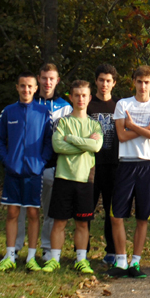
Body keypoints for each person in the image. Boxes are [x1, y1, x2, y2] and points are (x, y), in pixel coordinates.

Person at [108, 65, 150, 278]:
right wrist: (146, 130)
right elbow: (121, 137)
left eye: (146, 82)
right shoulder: (123, 104)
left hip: (147, 165)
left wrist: (132, 126)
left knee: (143, 217)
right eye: (139, 81)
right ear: (133, 81)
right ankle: (121, 261)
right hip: (126, 164)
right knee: (117, 215)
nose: (143, 86)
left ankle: (136, 263)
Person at [12, 63, 72, 268]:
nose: (47, 82)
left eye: (51, 78)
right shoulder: (28, 100)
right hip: (25, 166)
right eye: (44, 78)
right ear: (38, 79)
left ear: (57, 81)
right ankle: (17, 247)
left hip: (52, 166)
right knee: (22, 208)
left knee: (49, 209)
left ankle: (47, 248)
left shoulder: (66, 107)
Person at [0, 71, 54, 272]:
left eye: (30, 86)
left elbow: (49, 141)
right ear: (17, 87)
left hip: (34, 172)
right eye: (22, 86)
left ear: (36, 88)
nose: (26, 89)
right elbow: (0, 139)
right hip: (13, 171)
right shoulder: (9, 111)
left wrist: (41, 162)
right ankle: (10, 254)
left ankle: (31, 256)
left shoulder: (43, 113)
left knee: (33, 214)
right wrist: (6, 160)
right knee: (12, 212)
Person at [48, 80, 104, 274]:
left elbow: (95, 147)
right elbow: (57, 146)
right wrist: (85, 143)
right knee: (60, 221)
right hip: (63, 177)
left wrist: (71, 138)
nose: (81, 99)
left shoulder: (95, 124)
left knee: (82, 222)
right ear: (71, 98)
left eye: (84, 95)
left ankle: (81, 259)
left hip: (85, 179)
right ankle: (54, 259)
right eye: (77, 95)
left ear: (89, 98)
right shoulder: (62, 122)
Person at [88, 64, 122, 266]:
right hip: (91, 166)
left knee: (111, 210)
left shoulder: (119, 106)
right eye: (101, 80)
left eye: (108, 80)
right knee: (86, 209)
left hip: (113, 165)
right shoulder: (88, 105)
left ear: (114, 83)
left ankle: (111, 250)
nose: (104, 84)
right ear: (96, 81)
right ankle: (81, 250)